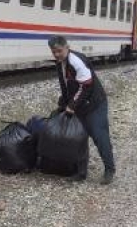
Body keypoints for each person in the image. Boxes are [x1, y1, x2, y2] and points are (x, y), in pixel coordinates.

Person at [48, 35, 116, 185]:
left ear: (67, 47)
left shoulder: (76, 60)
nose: (57, 54)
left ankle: (109, 170)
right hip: (80, 105)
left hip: (94, 104)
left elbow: (86, 85)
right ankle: (81, 172)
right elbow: (66, 85)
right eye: (54, 52)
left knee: (99, 136)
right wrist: (64, 102)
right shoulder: (60, 63)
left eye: (59, 51)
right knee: (79, 138)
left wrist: (71, 105)